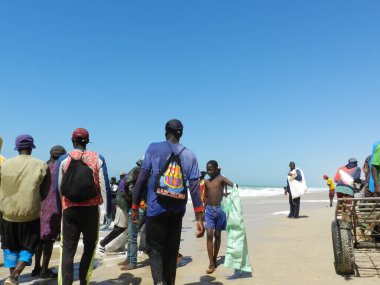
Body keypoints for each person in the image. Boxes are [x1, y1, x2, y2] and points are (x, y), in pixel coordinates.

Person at [131, 119, 205, 285]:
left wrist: (135, 206)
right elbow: (194, 187)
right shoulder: (190, 154)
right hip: (177, 210)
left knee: (154, 247)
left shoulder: (153, 147)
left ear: (166, 132)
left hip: (156, 208)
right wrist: (199, 217)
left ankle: (158, 281)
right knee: (172, 252)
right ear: (181, 134)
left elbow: (142, 178)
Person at [56, 128, 112, 285]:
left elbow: (59, 189)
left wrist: (60, 211)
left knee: (67, 251)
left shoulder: (63, 159)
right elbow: (104, 187)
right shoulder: (98, 158)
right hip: (91, 211)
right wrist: (108, 212)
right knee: (89, 248)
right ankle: (83, 282)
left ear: (72, 141)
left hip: (69, 211)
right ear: (87, 142)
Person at [0, 134, 50, 285]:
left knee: (10, 247)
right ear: (31, 148)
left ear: (17, 148)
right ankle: (14, 276)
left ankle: (12, 277)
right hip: (30, 215)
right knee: (29, 246)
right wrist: (32, 202)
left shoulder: (4, 165)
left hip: (7, 213)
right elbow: (45, 191)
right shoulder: (41, 165)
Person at [32, 145, 67, 279]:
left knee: (40, 239)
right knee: (49, 241)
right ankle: (44, 270)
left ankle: (36, 267)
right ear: (62, 155)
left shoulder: (43, 167)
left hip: (40, 207)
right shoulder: (62, 169)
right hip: (55, 208)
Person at [204, 160, 234, 274]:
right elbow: (205, 198)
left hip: (220, 210)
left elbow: (233, 185)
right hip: (209, 211)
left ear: (217, 169)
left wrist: (232, 195)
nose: (209, 171)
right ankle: (211, 263)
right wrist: (202, 213)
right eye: (207, 169)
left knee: (217, 236)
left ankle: (215, 258)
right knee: (209, 235)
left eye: (211, 169)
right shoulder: (206, 182)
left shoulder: (221, 179)